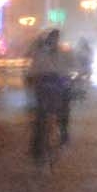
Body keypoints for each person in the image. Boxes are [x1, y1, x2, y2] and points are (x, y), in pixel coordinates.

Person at [26, 26, 76, 163]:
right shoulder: (40, 51)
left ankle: (62, 134)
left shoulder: (61, 51)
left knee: (59, 110)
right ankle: (39, 147)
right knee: (41, 116)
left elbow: (69, 67)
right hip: (43, 84)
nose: (54, 40)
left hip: (54, 84)